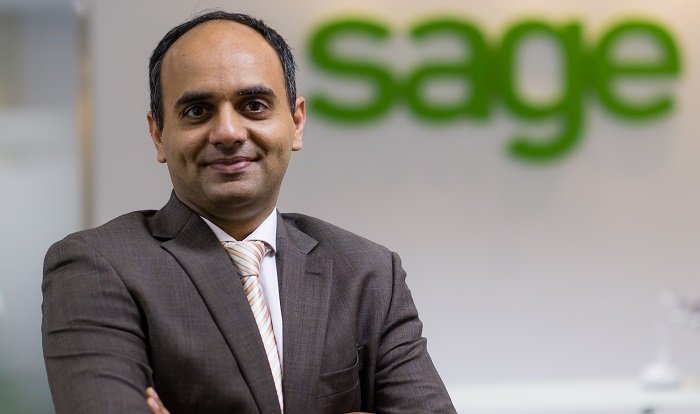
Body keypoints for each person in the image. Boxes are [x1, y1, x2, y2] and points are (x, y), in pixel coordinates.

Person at [41, 10, 457, 414]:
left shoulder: (367, 273)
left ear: (296, 122)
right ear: (159, 134)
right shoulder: (96, 267)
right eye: (197, 111)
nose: (228, 132)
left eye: (254, 105)